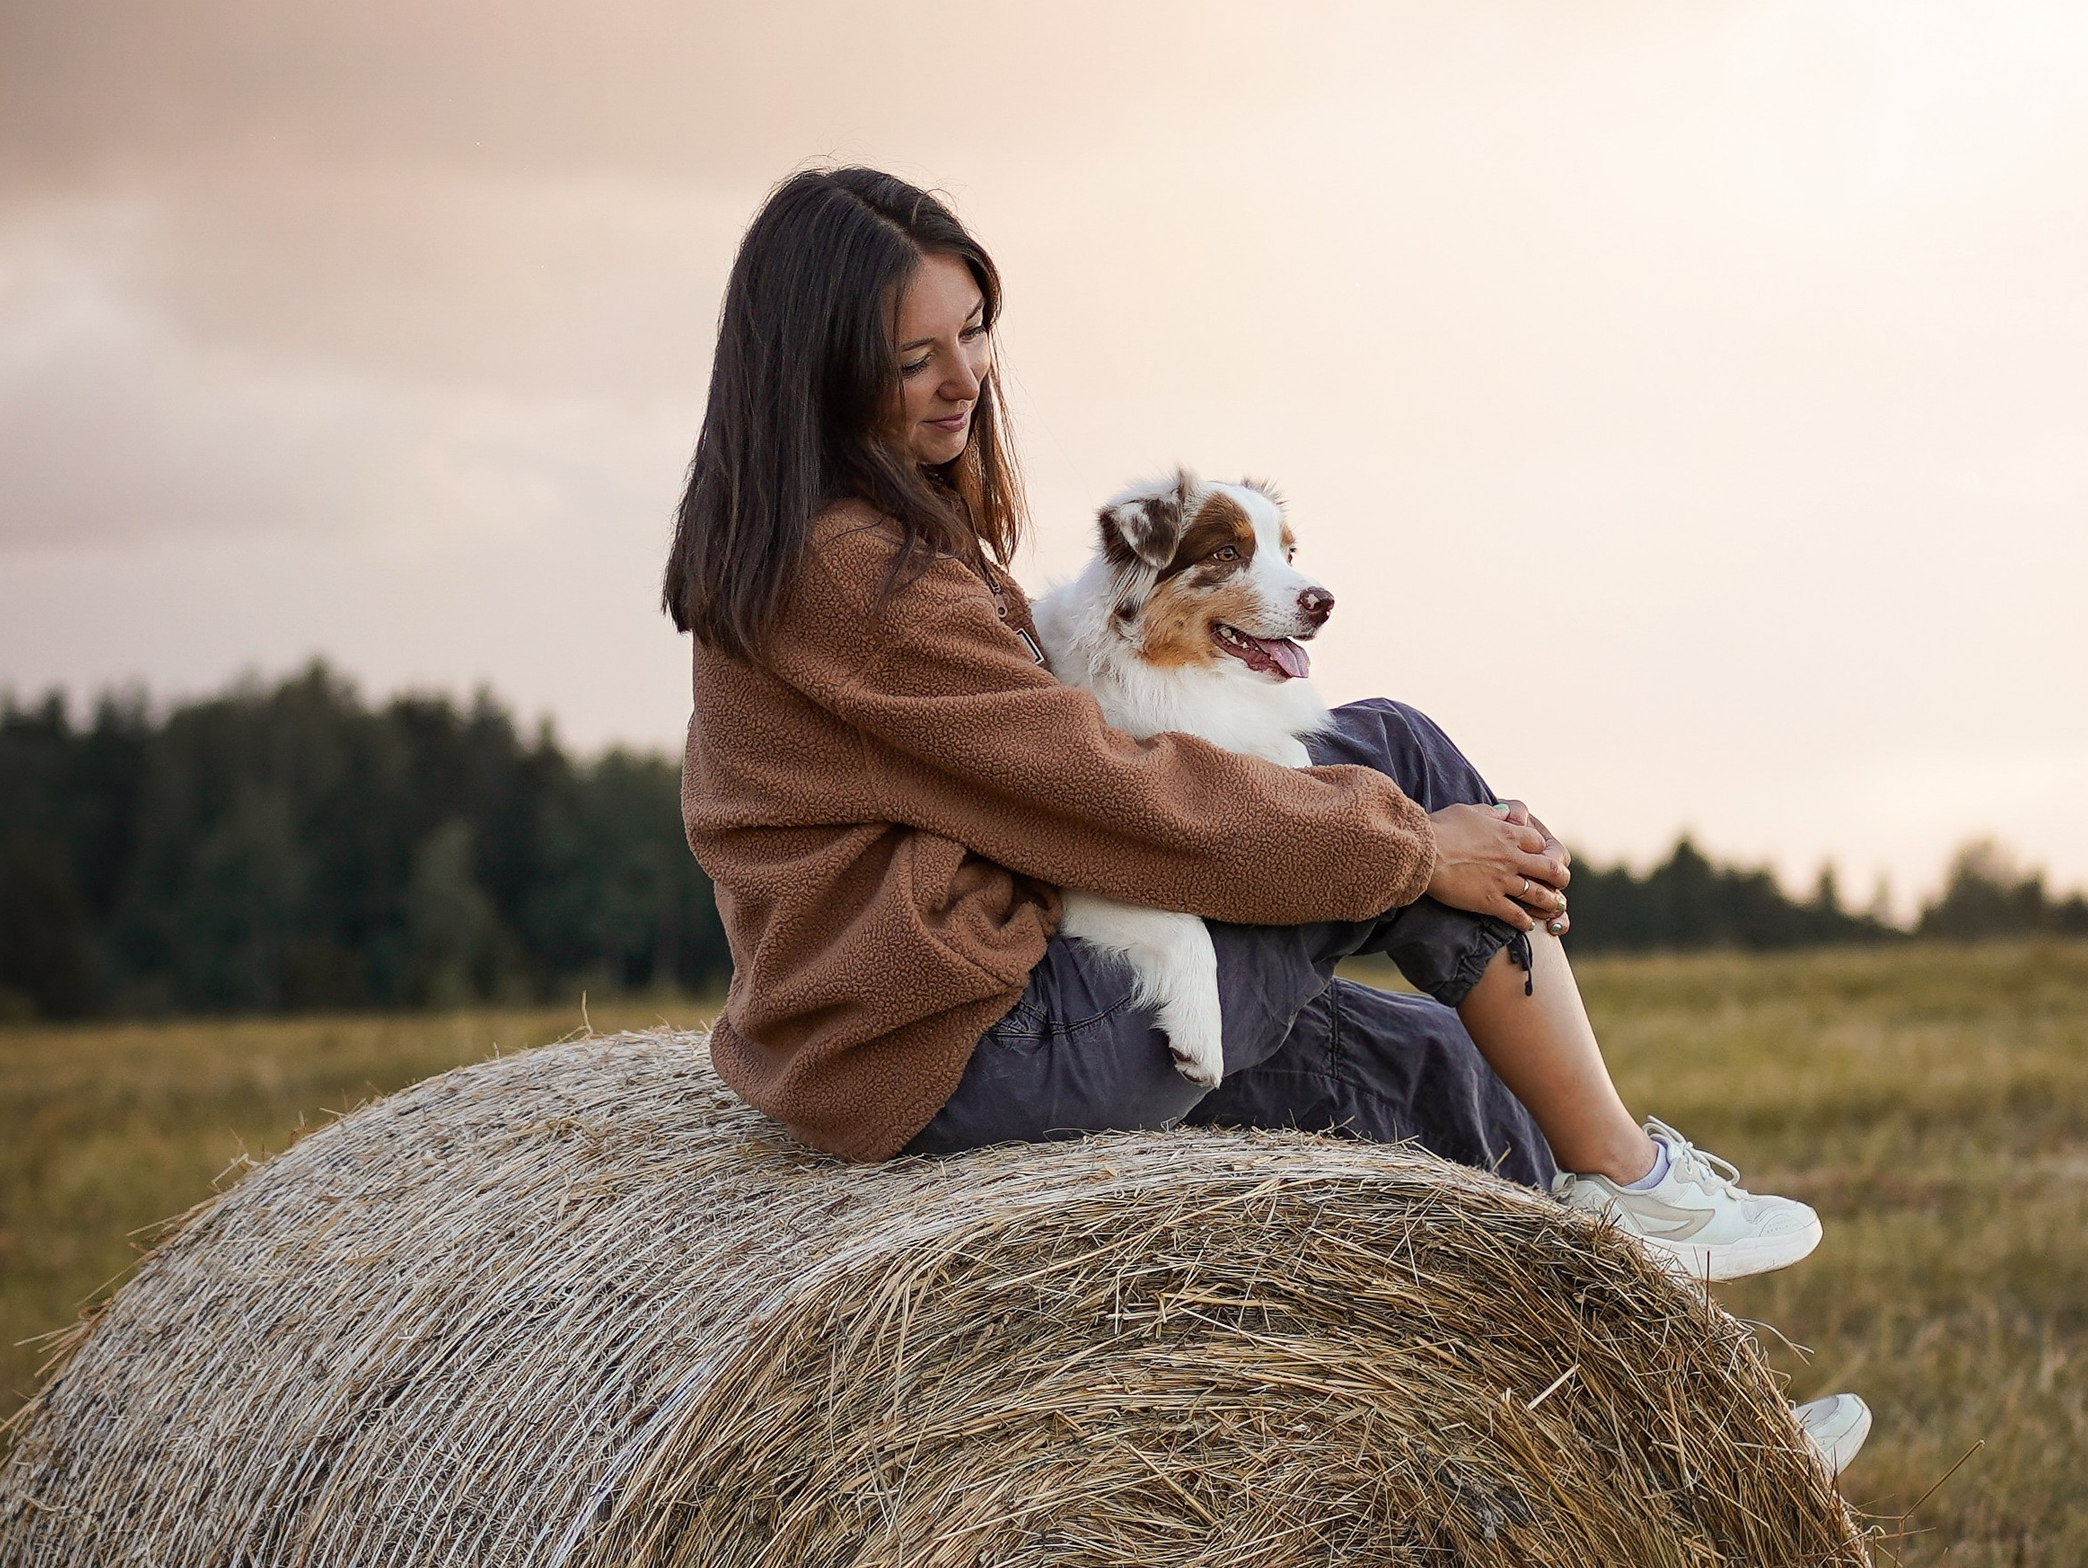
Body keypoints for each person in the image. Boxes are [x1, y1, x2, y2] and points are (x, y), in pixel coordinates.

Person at [668, 167, 1866, 1468]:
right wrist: (1414, 849)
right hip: (976, 1045)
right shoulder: (855, 576)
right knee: (1398, 757)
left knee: (1440, 1065)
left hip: (960, 1031)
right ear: (821, 369)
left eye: (974, 331)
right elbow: (1105, 796)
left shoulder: (849, 550)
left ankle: (1698, 1450)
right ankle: (1632, 1181)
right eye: (915, 359)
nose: (963, 379)